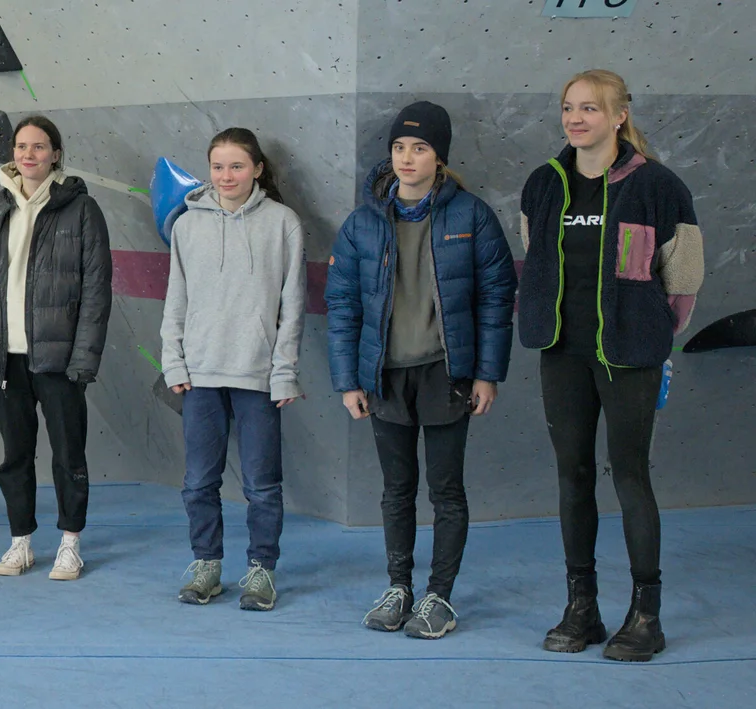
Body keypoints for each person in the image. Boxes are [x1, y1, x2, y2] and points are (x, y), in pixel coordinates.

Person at [519, 70, 704, 662]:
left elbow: (683, 283)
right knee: (572, 476)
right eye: (568, 108)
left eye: (590, 109)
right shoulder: (542, 185)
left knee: (629, 476)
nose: (576, 119)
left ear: (619, 115)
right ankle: (583, 610)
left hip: (628, 356)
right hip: (562, 354)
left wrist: (643, 334)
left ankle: (645, 615)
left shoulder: (658, 186)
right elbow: (537, 261)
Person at [326, 101, 516, 638]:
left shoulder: (471, 216)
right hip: (385, 377)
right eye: (399, 148)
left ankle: (439, 596)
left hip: (446, 374)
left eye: (421, 148)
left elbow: (497, 299)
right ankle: (399, 586)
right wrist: (349, 380)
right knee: (396, 489)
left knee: (446, 490)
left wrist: (487, 373)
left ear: (440, 157)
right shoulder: (363, 223)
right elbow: (342, 306)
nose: (407, 158)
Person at [0, 115, 112, 581]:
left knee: (68, 455)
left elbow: (97, 291)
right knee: (15, 455)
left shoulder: (83, 211)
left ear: (56, 154)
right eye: (21, 146)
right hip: (4, 360)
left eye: (39, 147)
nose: (28, 154)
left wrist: (84, 357)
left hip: (58, 361)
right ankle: (20, 542)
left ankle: (69, 543)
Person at [160, 128, 306, 610]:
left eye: (237, 166)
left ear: (258, 169)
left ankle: (261, 570)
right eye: (218, 166)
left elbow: (292, 305)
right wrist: (173, 361)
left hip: (257, 376)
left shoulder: (283, 223)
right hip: (200, 375)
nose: (226, 176)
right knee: (199, 481)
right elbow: (176, 301)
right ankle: (207, 565)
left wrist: (284, 371)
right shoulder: (186, 225)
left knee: (262, 484)